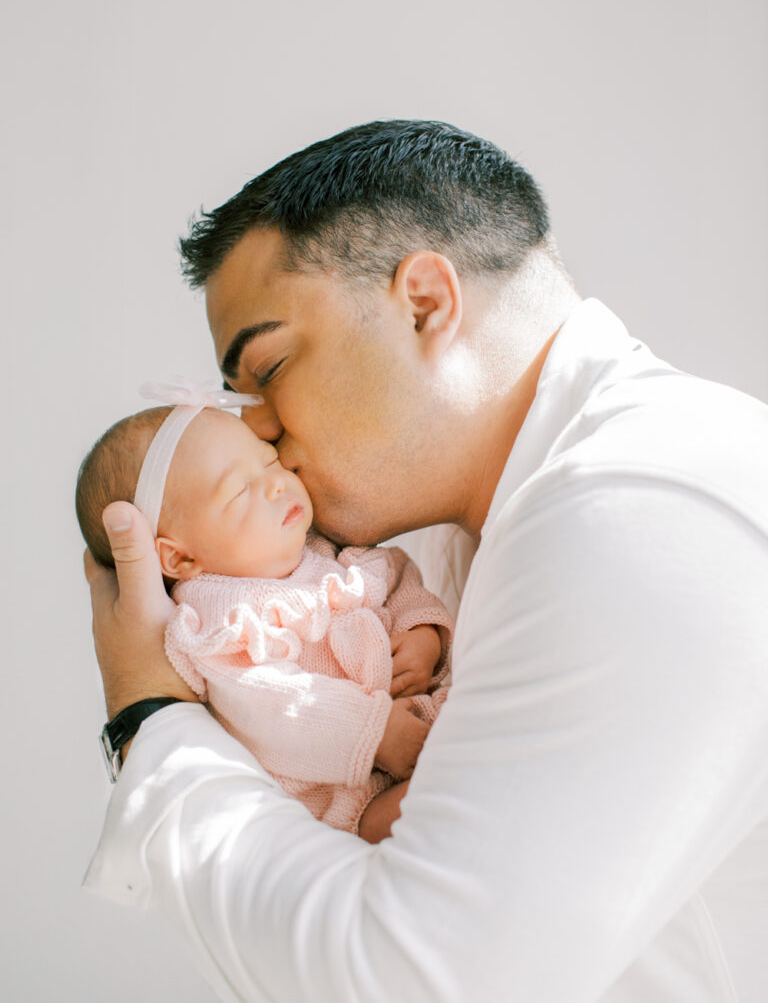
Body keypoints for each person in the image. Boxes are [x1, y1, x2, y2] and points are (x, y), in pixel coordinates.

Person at [84, 120, 768, 1002]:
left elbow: (410, 982)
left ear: (424, 304)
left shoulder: (632, 510)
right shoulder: (481, 538)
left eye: (269, 367)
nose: (253, 427)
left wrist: (151, 714)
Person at [76, 385, 452, 842]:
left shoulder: (320, 547)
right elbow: (274, 705)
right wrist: (375, 733)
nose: (277, 481)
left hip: (424, 710)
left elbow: (391, 576)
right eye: (239, 490)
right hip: (344, 790)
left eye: (268, 461)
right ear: (179, 559)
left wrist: (423, 633)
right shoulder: (216, 621)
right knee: (426, 813)